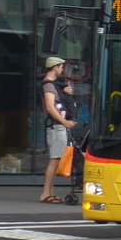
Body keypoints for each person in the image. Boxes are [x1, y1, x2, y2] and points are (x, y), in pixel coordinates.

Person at [39, 56, 77, 204]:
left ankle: (50, 192)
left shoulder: (52, 85)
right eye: (61, 66)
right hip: (56, 127)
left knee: (55, 159)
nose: (62, 69)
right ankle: (45, 193)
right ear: (55, 67)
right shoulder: (48, 86)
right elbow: (50, 107)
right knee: (54, 160)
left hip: (56, 126)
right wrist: (65, 122)